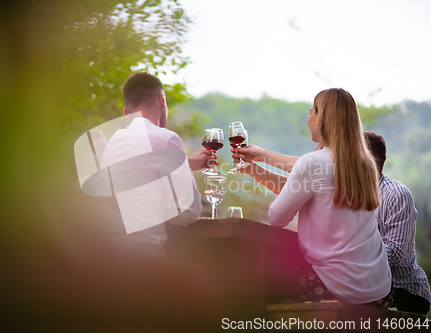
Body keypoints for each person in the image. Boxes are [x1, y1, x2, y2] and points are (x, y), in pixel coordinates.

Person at [233, 88, 392, 307]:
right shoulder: (365, 164)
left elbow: (277, 217)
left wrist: (258, 163)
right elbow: (309, 189)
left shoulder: (313, 163)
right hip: (378, 290)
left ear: (322, 117)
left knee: (254, 287)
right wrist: (255, 167)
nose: (308, 119)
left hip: (336, 287)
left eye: (311, 112)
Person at [76, 72, 213, 259]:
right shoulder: (167, 138)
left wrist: (184, 163)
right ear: (162, 99)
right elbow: (188, 212)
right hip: (145, 257)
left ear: (126, 113)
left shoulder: (113, 143)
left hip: (108, 257)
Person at [364, 131, 431, 315]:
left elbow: (395, 254)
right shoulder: (347, 196)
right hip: (368, 287)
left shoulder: (396, 194)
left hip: (404, 290)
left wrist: (353, 252)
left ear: (371, 161)